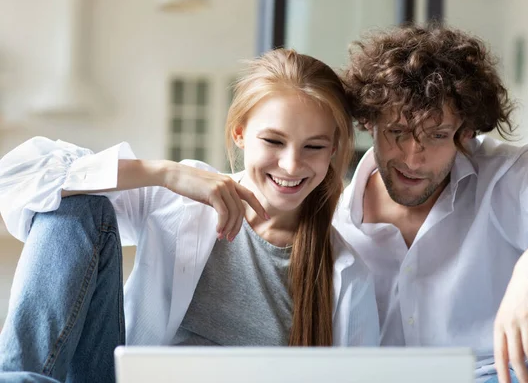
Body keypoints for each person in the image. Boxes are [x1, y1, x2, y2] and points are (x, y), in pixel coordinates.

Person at [0, 48, 379, 383]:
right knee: (78, 203)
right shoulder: (182, 199)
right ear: (240, 133)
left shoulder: (347, 274)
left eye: (313, 146)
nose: (291, 164)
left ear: (333, 151)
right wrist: (166, 173)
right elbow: (20, 177)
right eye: (273, 141)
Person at [334, 24, 528, 383]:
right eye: (397, 133)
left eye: (438, 136)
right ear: (369, 121)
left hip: (521, 374)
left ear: (467, 132)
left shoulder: (503, 173)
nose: (414, 158)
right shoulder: (332, 214)